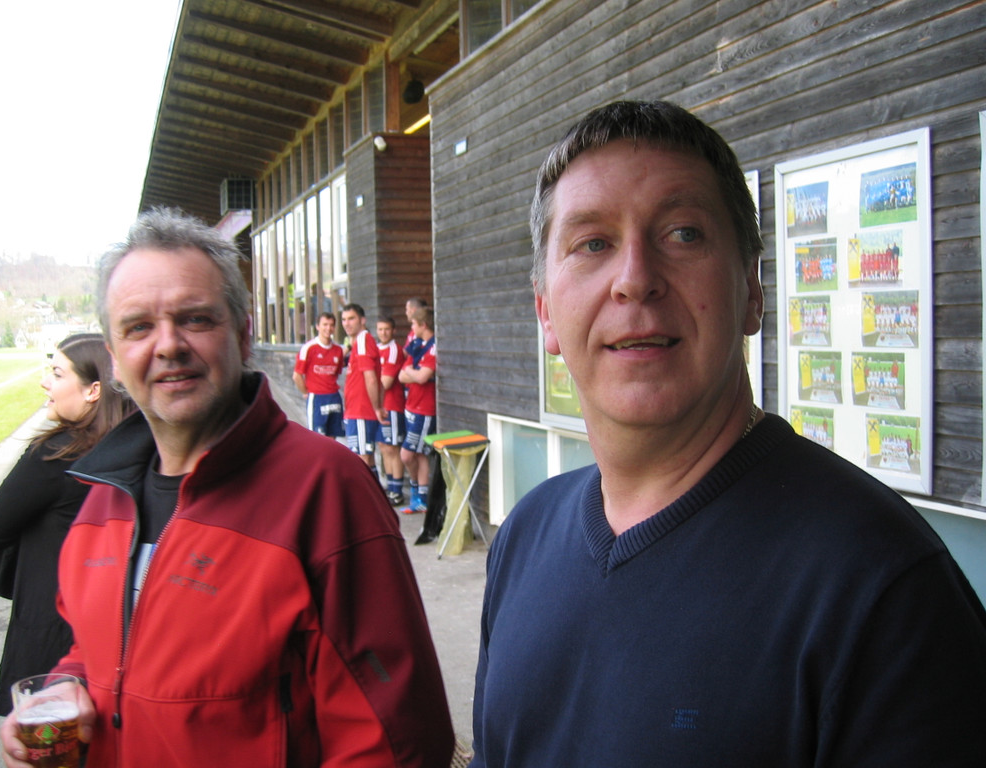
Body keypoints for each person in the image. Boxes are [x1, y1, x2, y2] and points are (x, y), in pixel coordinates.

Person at [470, 100, 986, 766]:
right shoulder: (524, 537)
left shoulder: (883, 591)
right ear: (545, 311)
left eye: (682, 234)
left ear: (752, 292)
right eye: (593, 243)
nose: (634, 279)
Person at [0, 209, 454, 767]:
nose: (168, 345)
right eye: (138, 327)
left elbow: (396, 740)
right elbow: (95, 648)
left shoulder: (326, 490)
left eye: (195, 319)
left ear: (242, 334)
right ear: (114, 360)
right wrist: (68, 685)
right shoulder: (101, 499)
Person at [0, 333, 134, 715]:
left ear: (93, 390)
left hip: (52, 628)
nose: (45, 382)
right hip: (113, 630)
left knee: (50, 735)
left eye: (58, 374)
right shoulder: (132, 447)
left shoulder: (55, 454)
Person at [399, 307, 437, 514]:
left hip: (424, 410)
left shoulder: (433, 347)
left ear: (423, 325)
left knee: (406, 455)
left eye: (414, 324)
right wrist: (414, 372)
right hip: (411, 407)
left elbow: (422, 377)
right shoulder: (417, 344)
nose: (412, 328)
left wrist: (412, 372)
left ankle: (416, 491)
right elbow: (401, 375)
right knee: (420, 454)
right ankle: (420, 499)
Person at [340, 303, 385, 475]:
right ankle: (375, 491)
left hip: (361, 412)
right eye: (344, 319)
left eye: (351, 318)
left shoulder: (363, 340)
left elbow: (372, 379)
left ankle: (366, 493)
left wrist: (376, 408)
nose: (347, 323)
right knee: (368, 459)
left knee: (361, 460)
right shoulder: (358, 342)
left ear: (363, 320)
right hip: (357, 411)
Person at [292, 311, 345, 437]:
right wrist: (306, 392)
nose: (328, 328)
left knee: (333, 438)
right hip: (317, 398)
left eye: (331, 325)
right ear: (317, 326)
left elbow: (336, 373)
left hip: (334, 397)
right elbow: (297, 376)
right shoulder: (308, 348)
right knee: (317, 438)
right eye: (325, 324)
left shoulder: (338, 350)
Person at [376, 315, 407, 506]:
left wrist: (368, 385)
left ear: (393, 331)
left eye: (387, 329)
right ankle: (390, 487)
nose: (383, 333)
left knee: (393, 448)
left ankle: (397, 491)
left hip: (392, 406)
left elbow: (385, 382)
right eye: (380, 329)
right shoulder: (376, 348)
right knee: (383, 447)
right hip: (380, 406)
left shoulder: (394, 350)